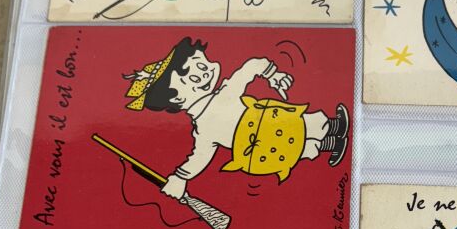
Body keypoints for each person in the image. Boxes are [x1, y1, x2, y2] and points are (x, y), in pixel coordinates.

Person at [123, 37, 350, 196]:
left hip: (259, 145)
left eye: (203, 64)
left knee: (300, 142)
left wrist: (181, 178)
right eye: (194, 77)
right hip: (262, 142)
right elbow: (199, 158)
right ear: (177, 99)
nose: (207, 72)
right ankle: (332, 137)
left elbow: (250, 68)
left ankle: (332, 135)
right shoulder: (207, 125)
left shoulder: (215, 109)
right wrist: (180, 178)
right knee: (301, 137)